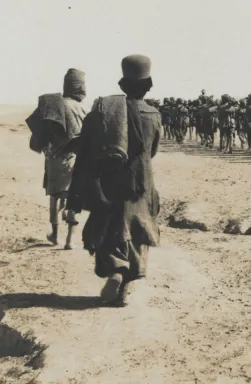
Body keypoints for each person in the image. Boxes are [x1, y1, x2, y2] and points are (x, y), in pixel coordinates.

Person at [67, 54, 162, 306]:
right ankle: (128, 283)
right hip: (141, 180)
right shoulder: (154, 114)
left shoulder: (103, 111)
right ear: (149, 84)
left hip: (110, 180)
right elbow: (152, 151)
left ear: (122, 84)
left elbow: (88, 146)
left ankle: (115, 270)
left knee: (111, 225)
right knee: (140, 227)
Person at [26, 68, 88, 249]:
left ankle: (55, 235)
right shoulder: (82, 107)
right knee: (74, 197)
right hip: (76, 157)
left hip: (54, 157)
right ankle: (69, 240)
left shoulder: (54, 105)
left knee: (55, 197)